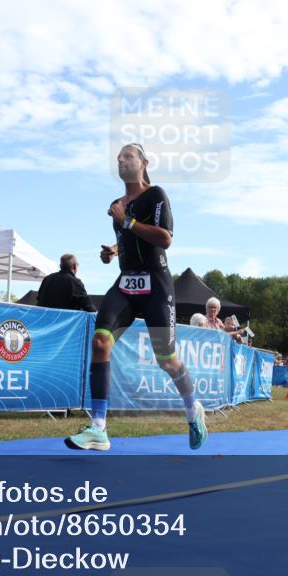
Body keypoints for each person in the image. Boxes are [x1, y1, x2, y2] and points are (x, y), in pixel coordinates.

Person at [65, 143, 206, 452]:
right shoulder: (116, 203)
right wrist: (113, 251)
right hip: (126, 284)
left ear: (144, 162)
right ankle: (99, 429)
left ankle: (193, 408)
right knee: (100, 341)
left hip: (156, 283)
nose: (121, 159)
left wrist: (126, 220)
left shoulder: (155, 195)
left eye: (128, 155)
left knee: (167, 360)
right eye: (118, 156)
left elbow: (164, 238)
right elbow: (128, 238)